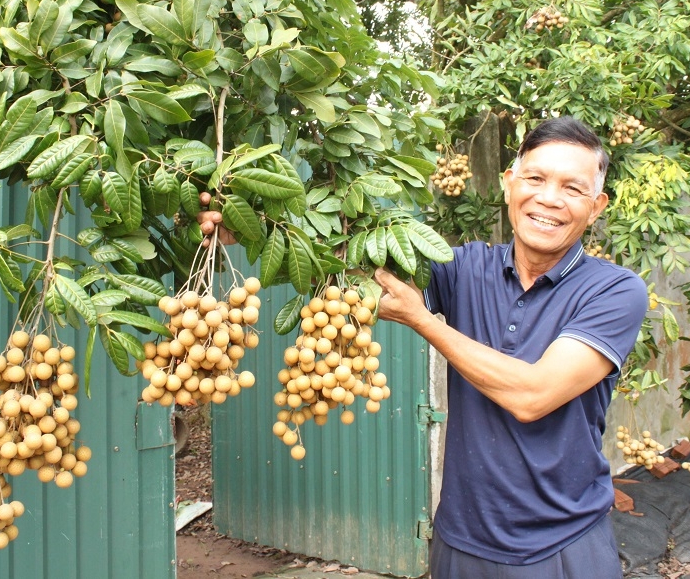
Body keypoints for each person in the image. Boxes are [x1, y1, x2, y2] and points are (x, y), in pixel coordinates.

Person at [198, 116, 647, 578]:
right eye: (535, 178)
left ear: (596, 207)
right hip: (458, 542)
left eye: (572, 189)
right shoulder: (467, 266)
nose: (549, 198)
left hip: (562, 548)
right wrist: (252, 230)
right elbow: (358, 275)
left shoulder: (614, 291)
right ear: (510, 184)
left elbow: (532, 396)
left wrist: (422, 320)